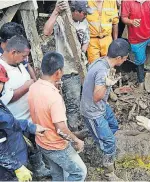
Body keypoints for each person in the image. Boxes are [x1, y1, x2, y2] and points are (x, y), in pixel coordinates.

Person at [28, 51, 87, 181]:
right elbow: (60, 129)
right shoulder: (53, 97)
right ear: (58, 72)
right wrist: (76, 140)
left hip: (42, 142)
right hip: (56, 146)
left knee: (57, 174)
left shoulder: (34, 87)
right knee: (79, 172)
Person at [0, 35, 50, 178]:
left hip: (23, 120)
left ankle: (38, 170)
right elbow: (7, 98)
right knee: (19, 151)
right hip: (13, 122)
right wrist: (27, 86)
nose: (25, 59)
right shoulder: (2, 69)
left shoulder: (19, 63)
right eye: (23, 56)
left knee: (33, 147)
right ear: (13, 52)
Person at [80, 38, 130, 180]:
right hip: (93, 111)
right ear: (119, 58)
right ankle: (109, 172)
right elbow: (96, 96)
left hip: (101, 107)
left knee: (113, 125)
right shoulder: (103, 71)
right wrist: (107, 84)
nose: (125, 61)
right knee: (109, 142)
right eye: (125, 58)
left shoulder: (101, 61)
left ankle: (91, 134)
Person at [44, 0, 90, 131]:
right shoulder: (60, 21)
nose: (86, 15)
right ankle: (73, 131)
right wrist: (56, 12)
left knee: (83, 98)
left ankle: (82, 124)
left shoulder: (84, 22)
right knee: (72, 103)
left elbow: (86, 40)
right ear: (75, 11)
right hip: (68, 71)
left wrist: (81, 52)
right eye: (83, 13)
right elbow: (46, 32)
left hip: (81, 67)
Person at [121, 0, 150, 90]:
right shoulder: (127, 1)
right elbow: (123, 18)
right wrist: (131, 22)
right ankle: (141, 81)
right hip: (136, 38)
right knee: (140, 60)